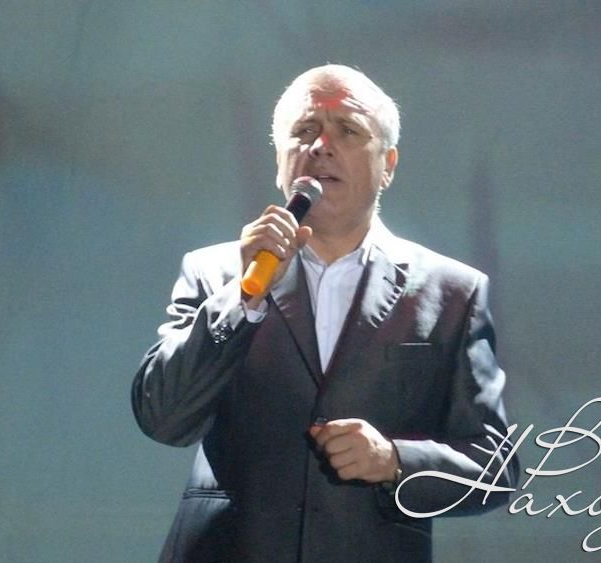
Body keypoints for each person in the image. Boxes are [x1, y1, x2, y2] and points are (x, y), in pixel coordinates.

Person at [132, 64, 518, 562]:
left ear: (388, 164)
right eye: (305, 130)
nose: (320, 146)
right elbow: (164, 418)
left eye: (348, 130)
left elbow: (495, 469)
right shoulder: (215, 273)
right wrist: (242, 299)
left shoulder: (452, 292)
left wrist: (394, 460)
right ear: (279, 158)